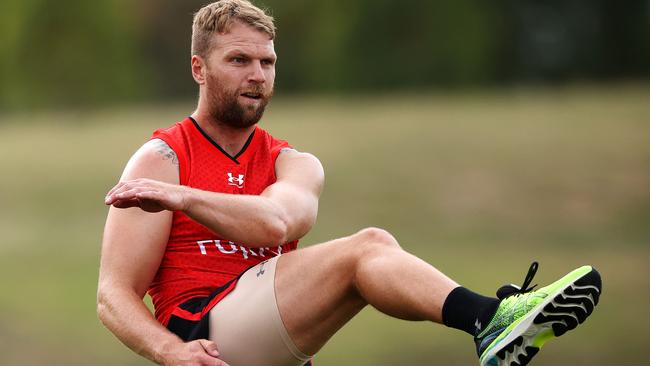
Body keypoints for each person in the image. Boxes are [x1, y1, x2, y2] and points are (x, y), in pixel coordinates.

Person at [97, 1, 602, 365]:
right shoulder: (161, 158)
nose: (257, 74)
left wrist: (182, 197)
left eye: (267, 62)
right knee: (367, 248)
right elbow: (113, 295)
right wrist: (170, 352)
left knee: (369, 252)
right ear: (198, 69)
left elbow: (277, 223)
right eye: (239, 60)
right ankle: (491, 319)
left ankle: (493, 322)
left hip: (272, 338)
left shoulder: (293, 163)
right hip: (202, 333)